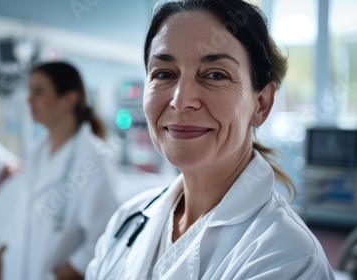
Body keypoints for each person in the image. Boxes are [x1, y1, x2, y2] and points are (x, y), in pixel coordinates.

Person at [86, 0, 335, 279]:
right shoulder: (129, 220)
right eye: (164, 74)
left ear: (261, 104)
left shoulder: (286, 257)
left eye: (215, 75)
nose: (181, 101)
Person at [0, 61, 119, 280]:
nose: (28, 99)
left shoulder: (92, 160)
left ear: (69, 100)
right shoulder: (37, 152)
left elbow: (103, 238)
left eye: (38, 91)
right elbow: (22, 215)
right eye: (29, 91)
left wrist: (56, 276)